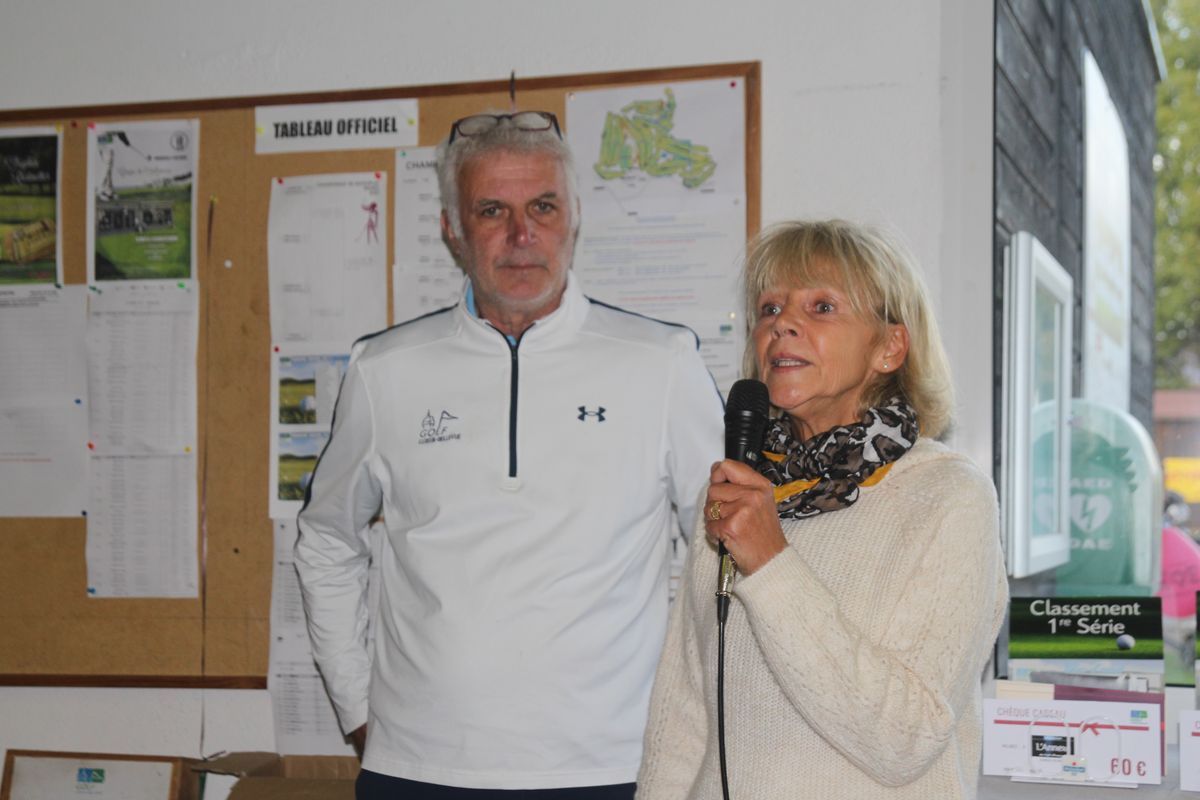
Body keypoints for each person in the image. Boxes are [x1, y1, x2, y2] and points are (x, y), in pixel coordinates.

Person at [294, 110, 724, 799]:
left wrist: (696, 719)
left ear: (574, 219)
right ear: (452, 230)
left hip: (612, 768)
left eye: (543, 207)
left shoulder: (661, 363)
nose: (522, 236)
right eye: (492, 211)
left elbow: (725, 550)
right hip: (419, 769)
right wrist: (355, 706)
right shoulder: (385, 370)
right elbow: (325, 540)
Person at [636, 220, 1008, 799]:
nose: (781, 324)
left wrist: (771, 563)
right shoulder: (741, 491)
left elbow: (905, 739)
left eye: (822, 307)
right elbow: (683, 719)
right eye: (769, 309)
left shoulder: (948, 497)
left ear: (889, 347)